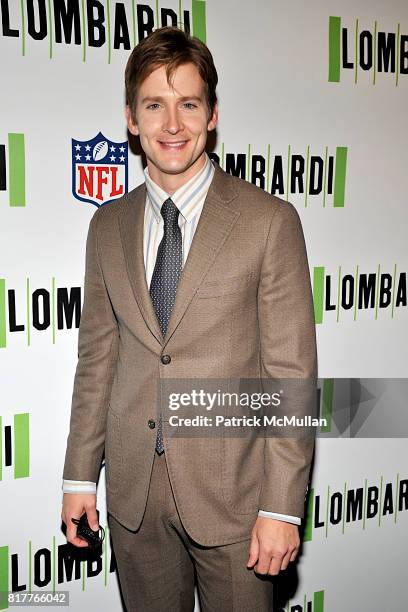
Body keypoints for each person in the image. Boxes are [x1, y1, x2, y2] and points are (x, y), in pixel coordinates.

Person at [61, 26, 317, 612]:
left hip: (235, 501)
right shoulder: (106, 226)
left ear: (213, 114)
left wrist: (281, 507)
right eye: (154, 105)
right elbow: (97, 360)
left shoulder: (269, 221)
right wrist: (80, 477)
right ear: (131, 118)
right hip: (133, 502)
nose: (172, 124)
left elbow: (291, 375)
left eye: (188, 104)